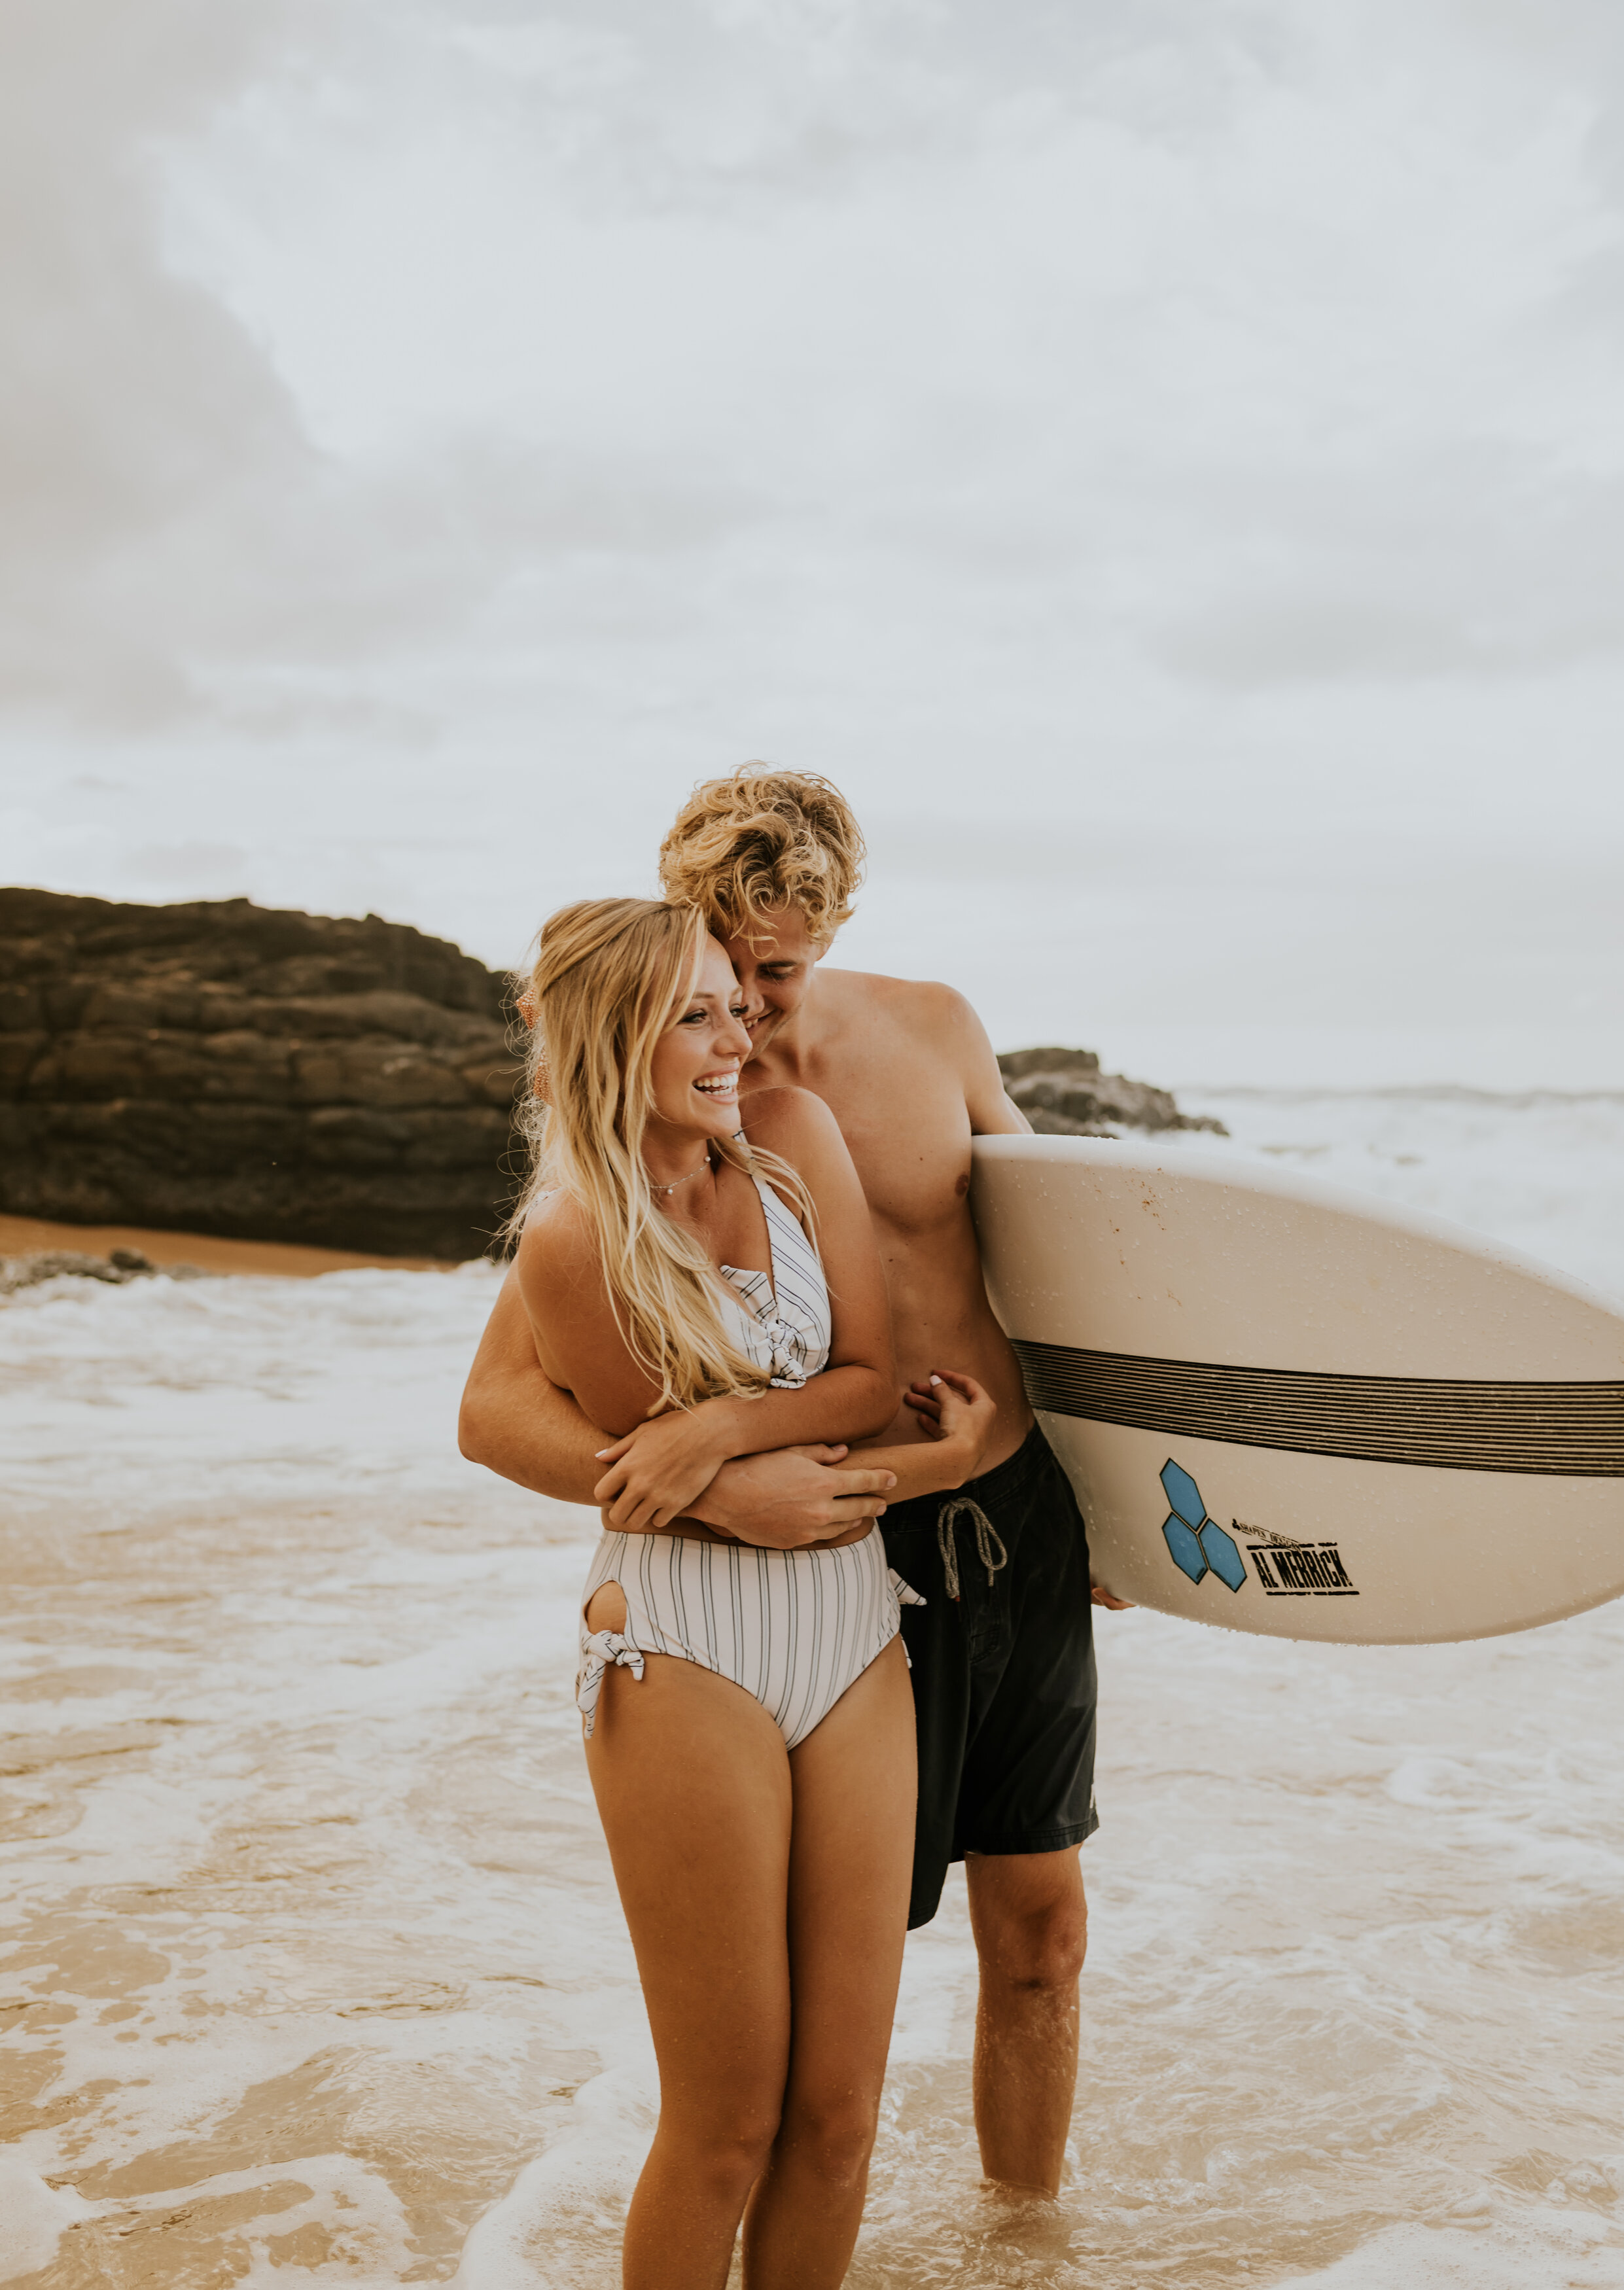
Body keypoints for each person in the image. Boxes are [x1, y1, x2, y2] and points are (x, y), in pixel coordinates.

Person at [462, 769, 1129, 2201]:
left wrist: (1122, 1492)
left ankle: (1024, 2237)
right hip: (827, 1556)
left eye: (783, 970)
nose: (753, 1009)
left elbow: (1068, 1272)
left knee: (1042, 1927)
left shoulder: (932, 1029)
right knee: (825, 1994)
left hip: (1007, 1506)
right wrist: (701, 1489)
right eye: (726, 967)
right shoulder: (674, 1117)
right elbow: (494, 1404)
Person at [506, 894, 999, 2290]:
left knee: (839, 2117)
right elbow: (685, 1508)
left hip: (852, 1634)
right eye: (698, 1014)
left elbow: (855, 1374)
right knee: (725, 2123)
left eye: (739, 999)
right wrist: (794, 1463)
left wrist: (724, 1426)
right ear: (615, 1039)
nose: (740, 1036)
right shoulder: (572, 1240)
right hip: (683, 1645)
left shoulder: (790, 1142)